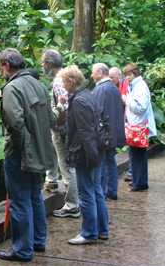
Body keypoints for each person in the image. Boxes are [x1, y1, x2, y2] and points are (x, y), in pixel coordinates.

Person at [0, 48, 57, 262]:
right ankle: (38, 241)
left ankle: (22, 250)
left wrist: (22, 146)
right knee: (34, 196)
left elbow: (15, 122)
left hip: (19, 153)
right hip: (38, 151)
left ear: (6, 65)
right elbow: (50, 117)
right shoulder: (39, 85)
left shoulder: (12, 87)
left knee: (20, 200)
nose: (0, 71)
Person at [60, 65, 109, 245]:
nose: (63, 85)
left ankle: (89, 233)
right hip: (96, 151)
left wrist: (91, 157)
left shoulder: (79, 101)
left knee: (86, 194)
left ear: (71, 81)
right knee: (97, 192)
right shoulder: (88, 94)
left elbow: (86, 132)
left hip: (86, 154)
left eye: (64, 82)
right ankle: (102, 230)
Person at [41, 49, 80, 218]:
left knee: (66, 165)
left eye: (43, 63)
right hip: (65, 127)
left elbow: (65, 107)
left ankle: (72, 205)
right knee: (54, 155)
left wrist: (54, 123)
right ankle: (52, 182)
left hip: (62, 128)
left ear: (49, 64)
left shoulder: (59, 81)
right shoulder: (63, 76)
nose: (42, 65)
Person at [90, 63, 125, 201]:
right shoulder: (113, 88)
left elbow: (97, 112)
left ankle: (102, 191)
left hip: (103, 134)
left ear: (99, 72)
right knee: (111, 161)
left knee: (102, 163)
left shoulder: (100, 89)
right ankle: (112, 190)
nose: (91, 75)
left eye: (93, 72)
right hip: (113, 132)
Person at [123, 63, 157, 192]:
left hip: (139, 127)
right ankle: (138, 181)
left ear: (135, 74)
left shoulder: (140, 86)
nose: (127, 78)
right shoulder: (136, 85)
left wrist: (127, 101)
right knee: (135, 155)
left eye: (129, 75)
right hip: (136, 126)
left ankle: (140, 183)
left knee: (138, 156)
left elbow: (140, 107)